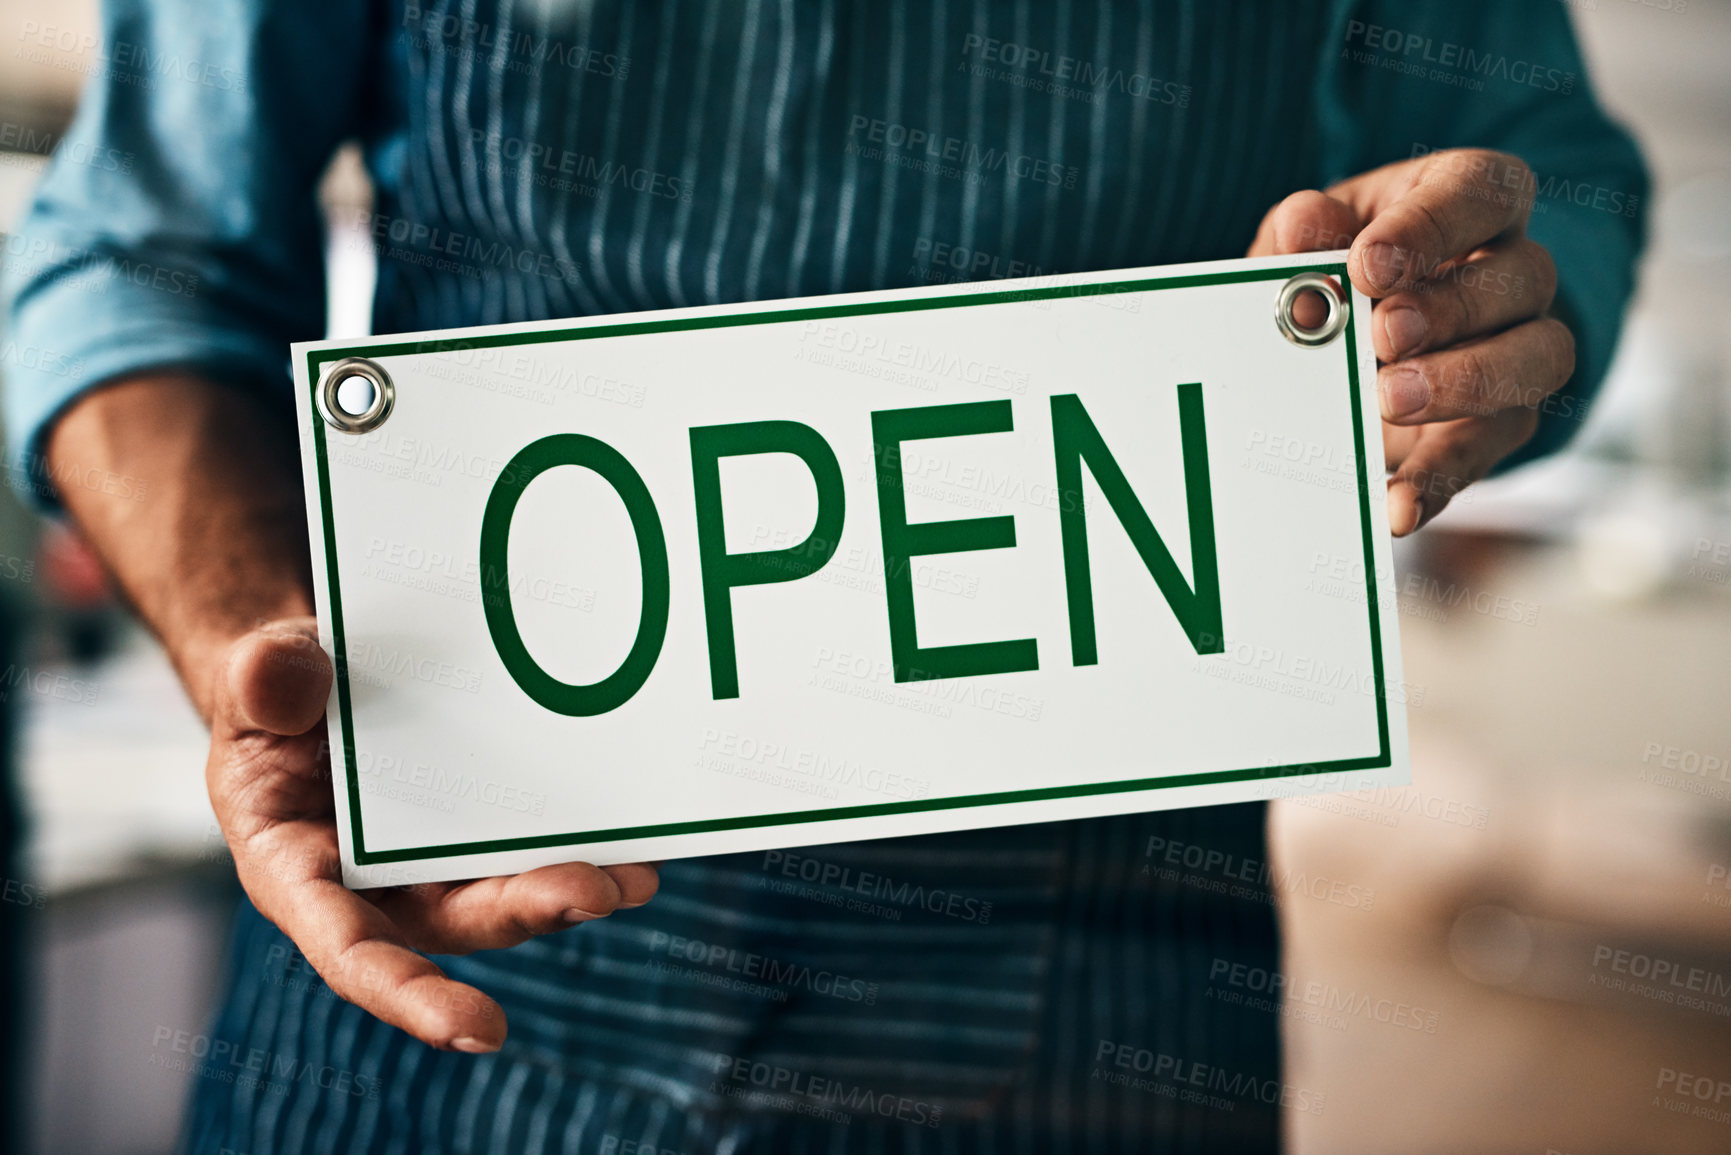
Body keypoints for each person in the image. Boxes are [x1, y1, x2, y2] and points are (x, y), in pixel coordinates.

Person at [3, 1, 1644, 1151]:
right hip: (412, 991)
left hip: (1094, 1025)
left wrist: (1487, 303)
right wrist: (248, 648)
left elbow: (1547, 174)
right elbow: (141, 255)